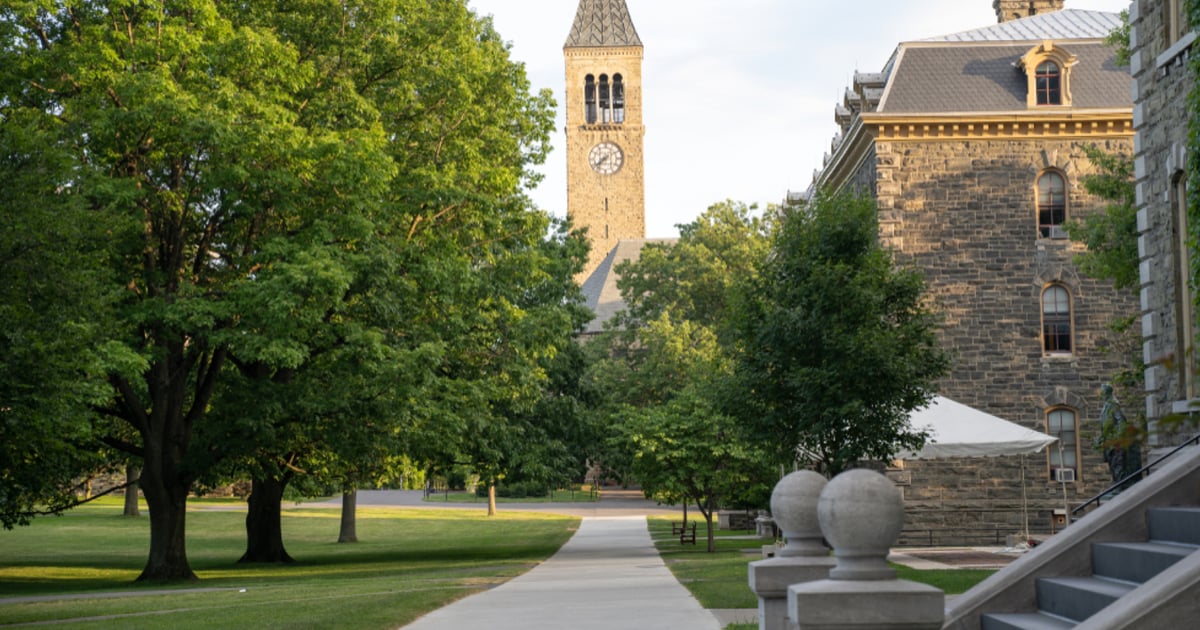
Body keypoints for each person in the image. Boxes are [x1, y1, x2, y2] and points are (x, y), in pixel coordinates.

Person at [1097, 383, 1142, 490]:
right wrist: (1101, 437)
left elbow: (1121, 421)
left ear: (1107, 393)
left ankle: (1121, 485)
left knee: (1118, 464)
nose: (1101, 394)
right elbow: (1105, 425)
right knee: (1112, 464)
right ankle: (1117, 483)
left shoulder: (1113, 405)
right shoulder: (1106, 406)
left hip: (1115, 442)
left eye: (1103, 392)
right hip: (1108, 441)